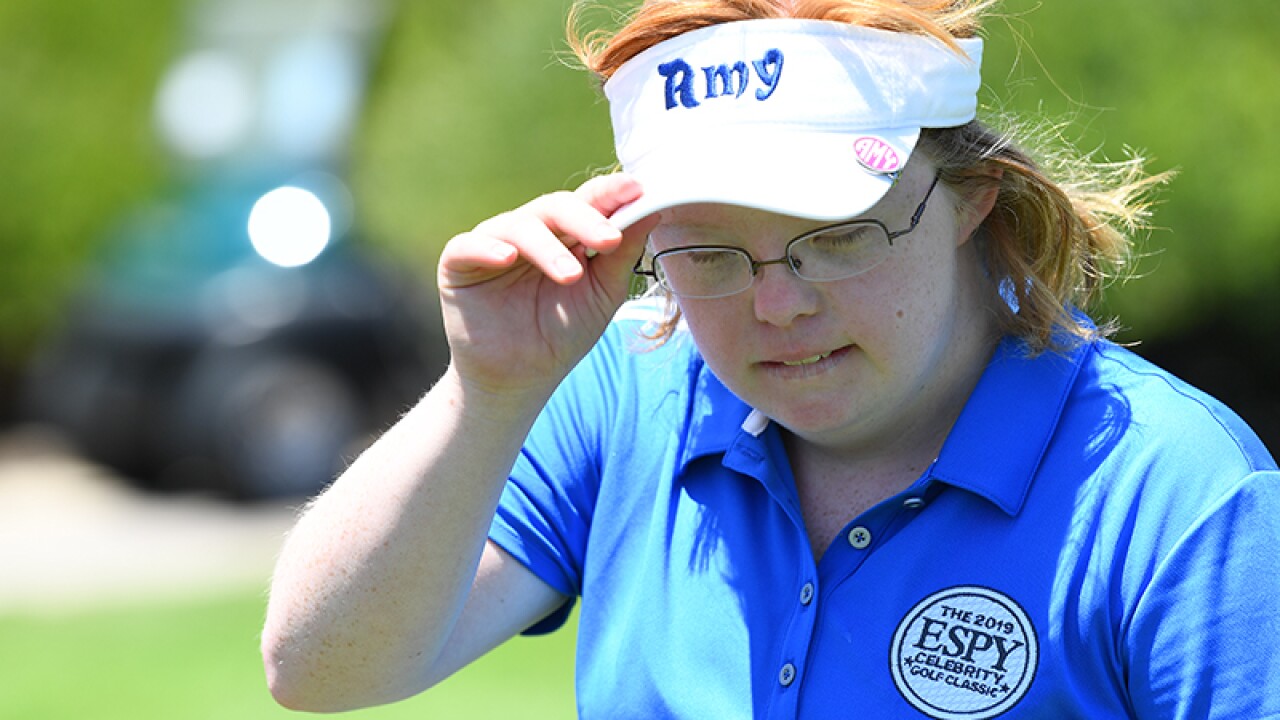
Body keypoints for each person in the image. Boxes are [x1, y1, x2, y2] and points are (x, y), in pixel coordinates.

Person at [261, 0, 1280, 717]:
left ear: (970, 198)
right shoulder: (624, 386)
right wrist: (485, 395)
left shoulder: (1177, 489)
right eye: (705, 254)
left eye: (836, 234)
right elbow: (321, 669)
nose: (776, 304)